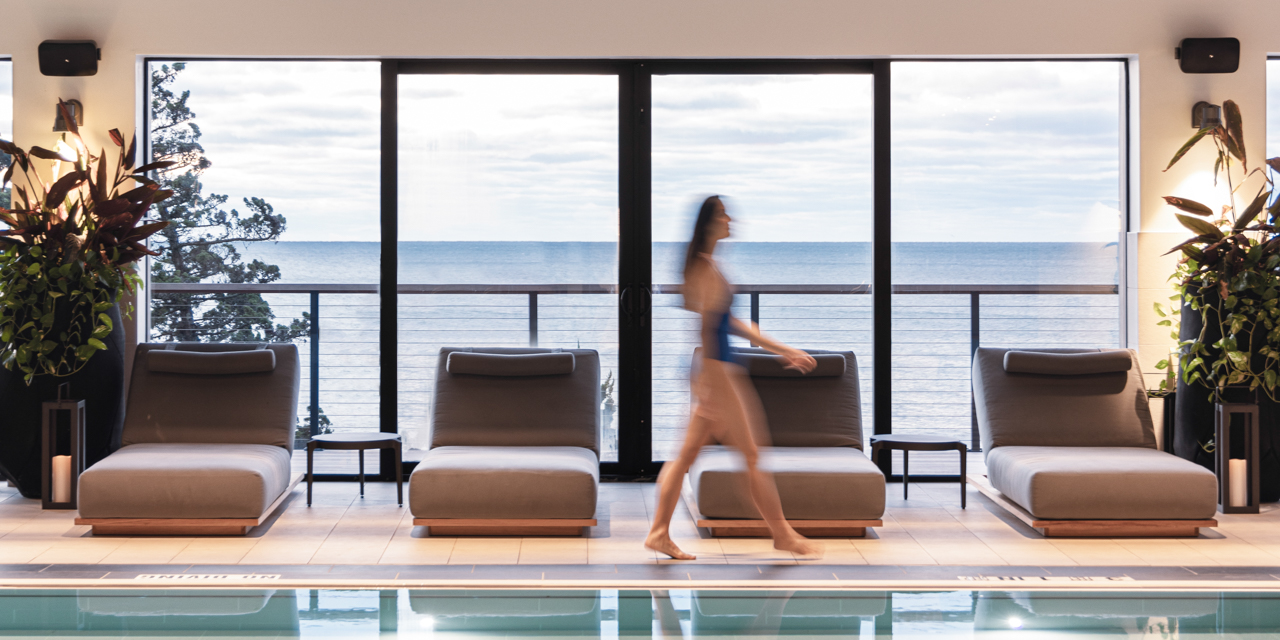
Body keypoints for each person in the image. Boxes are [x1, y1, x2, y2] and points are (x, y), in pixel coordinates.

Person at [644, 195, 821, 560]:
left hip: (713, 372)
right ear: (709, 222)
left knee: (686, 456)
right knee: (752, 455)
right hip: (718, 373)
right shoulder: (705, 270)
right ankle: (783, 535)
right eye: (724, 214)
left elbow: (731, 324)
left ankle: (659, 533)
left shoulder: (707, 265)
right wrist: (709, 387)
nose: (731, 220)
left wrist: (783, 349)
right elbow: (708, 332)